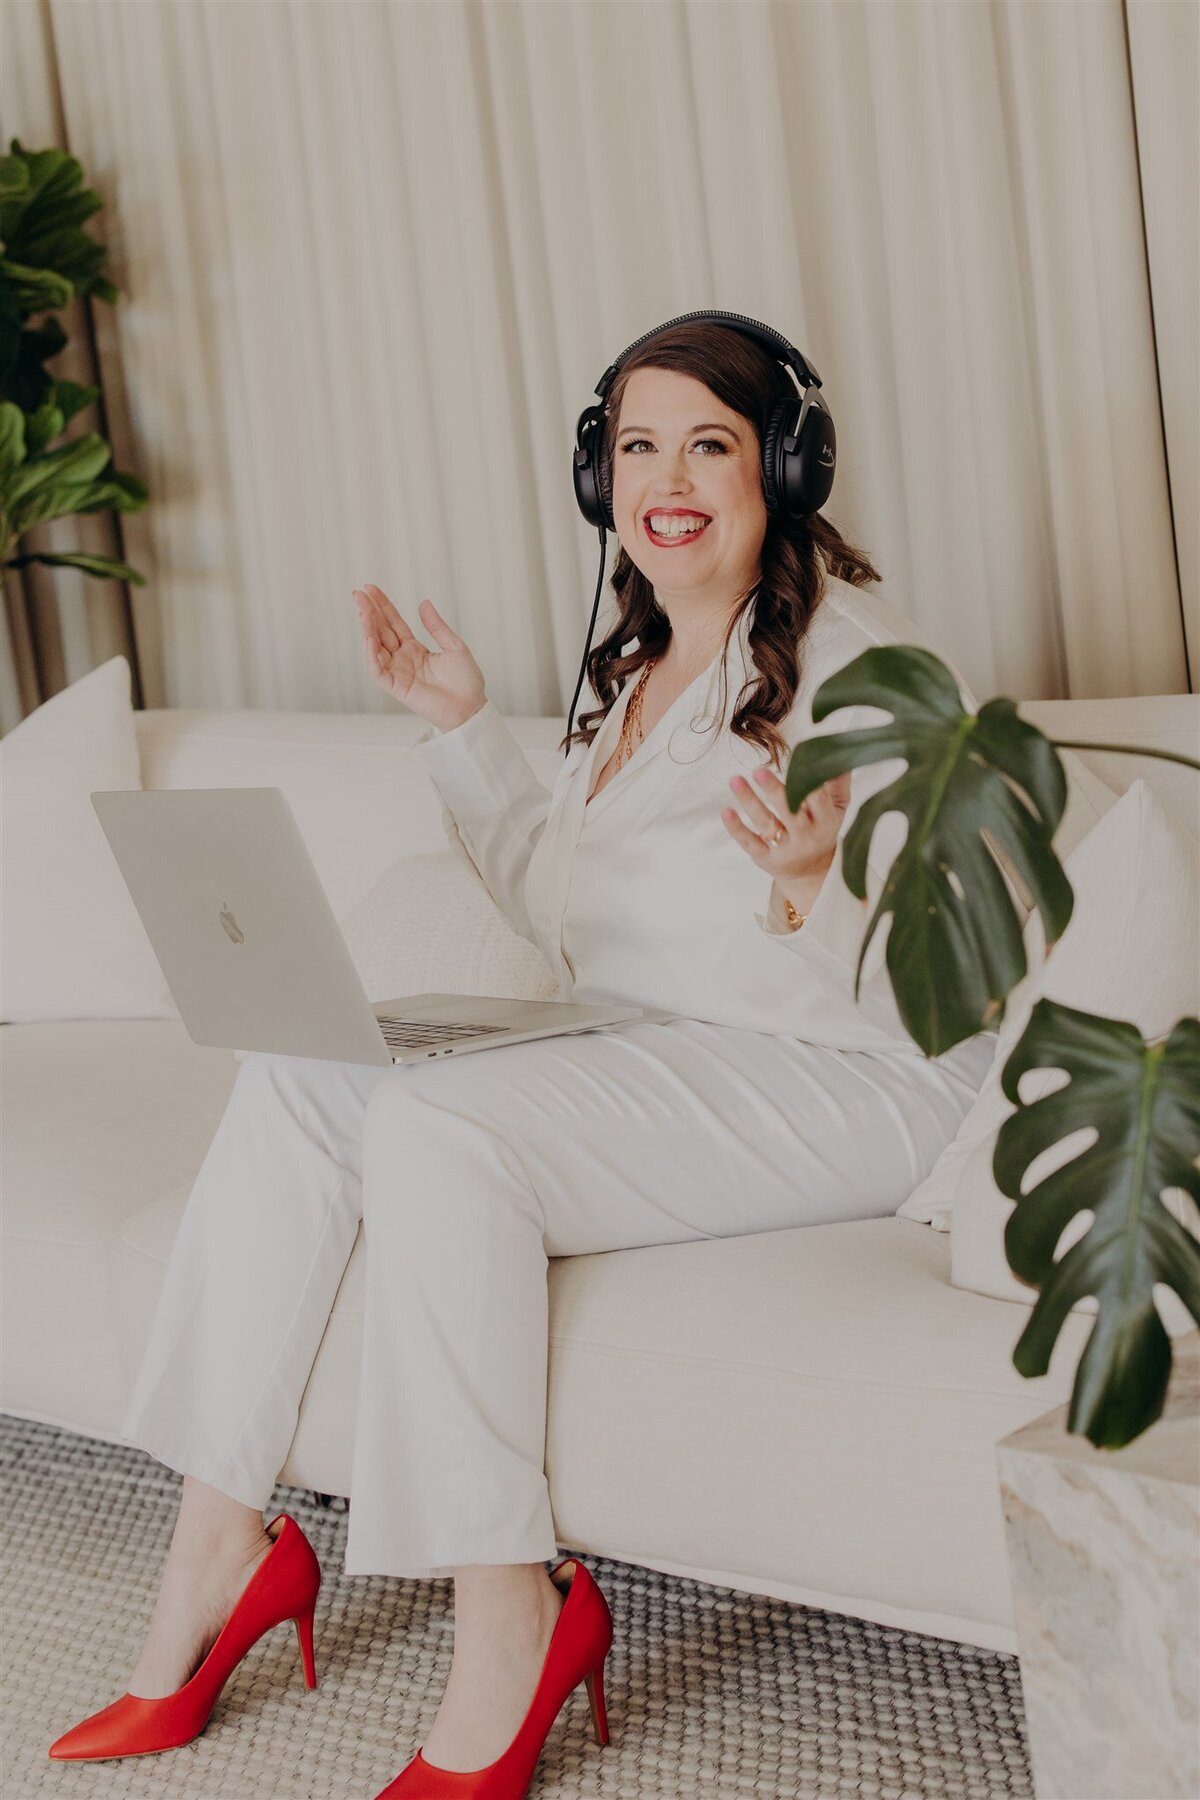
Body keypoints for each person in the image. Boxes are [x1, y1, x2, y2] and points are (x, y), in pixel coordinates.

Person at [48, 319, 998, 1798]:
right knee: (304, 1069)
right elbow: (563, 907)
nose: (665, 481)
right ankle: (217, 1548)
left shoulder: (869, 666)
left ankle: (511, 1611)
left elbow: (953, 966)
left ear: (784, 469)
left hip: (859, 1066)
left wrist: (818, 884)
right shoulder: (638, 671)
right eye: (637, 447)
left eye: (709, 445)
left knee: (444, 1132)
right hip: (662, 1048)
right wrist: (460, 726)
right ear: (596, 477)